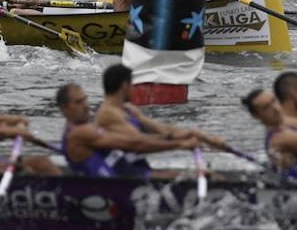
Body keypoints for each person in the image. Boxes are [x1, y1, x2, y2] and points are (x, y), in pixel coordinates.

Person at [88, 65, 222, 176]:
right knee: (197, 176)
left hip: (136, 167)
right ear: (124, 86)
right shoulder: (106, 114)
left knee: (208, 174)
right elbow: (139, 143)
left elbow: (163, 130)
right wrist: (182, 144)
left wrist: (202, 138)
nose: (134, 88)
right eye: (132, 85)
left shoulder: (128, 109)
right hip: (118, 173)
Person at [56, 79, 199, 178]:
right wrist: (181, 144)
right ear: (64, 108)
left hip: (127, 176)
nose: (86, 105)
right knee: (198, 176)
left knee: (194, 175)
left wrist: (177, 137)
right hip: (117, 189)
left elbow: (134, 140)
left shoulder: (86, 126)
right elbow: (135, 144)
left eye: (85, 99)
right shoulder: (80, 133)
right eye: (79, 102)